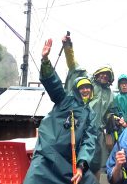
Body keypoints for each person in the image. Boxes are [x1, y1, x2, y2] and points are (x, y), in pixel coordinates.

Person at [24, 39, 98, 184]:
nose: (85, 90)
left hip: (69, 161)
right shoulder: (65, 100)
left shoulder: (91, 114)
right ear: (76, 90)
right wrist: (45, 60)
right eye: (82, 87)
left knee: (91, 181)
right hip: (46, 155)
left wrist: (81, 166)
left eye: (88, 87)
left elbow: (89, 141)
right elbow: (54, 85)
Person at [62, 35, 115, 179]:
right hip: (79, 129)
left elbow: (108, 113)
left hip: (97, 133)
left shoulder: (110, 94)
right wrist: (68, 47)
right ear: (97, 73)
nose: (104, 76)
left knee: (100, 164)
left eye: (107, 75)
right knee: (76, 162)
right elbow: (73, 65)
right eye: (102, 73)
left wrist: (114, 118)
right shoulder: (87, 82)